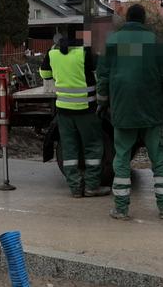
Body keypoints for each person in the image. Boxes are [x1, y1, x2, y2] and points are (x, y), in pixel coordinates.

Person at [97, 4, 163, 220]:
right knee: (158, 158)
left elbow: (103, 76)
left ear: (127, 20)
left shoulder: (112, 42)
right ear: (143, 20)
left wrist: (102, 103)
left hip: (123, 109)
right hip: (151, 110)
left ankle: (121, 208)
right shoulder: (155, 43)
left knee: (121, 157)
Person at [40, 32, 110, 198]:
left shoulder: (52, 53)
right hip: (86, 109)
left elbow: (45, 75)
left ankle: (75, 188)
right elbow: (101, 71)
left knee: (70, 149)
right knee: (92, 147)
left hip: (63, 110)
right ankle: (92, 186)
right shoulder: (86, 53)